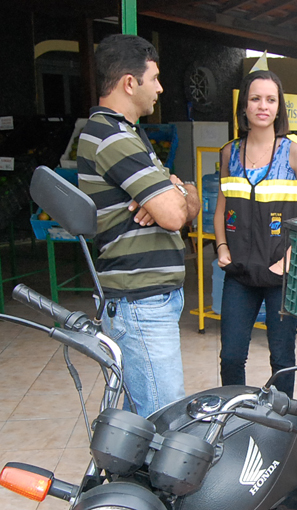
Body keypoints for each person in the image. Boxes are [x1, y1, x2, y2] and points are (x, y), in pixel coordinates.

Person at [77, 34, 200, 418]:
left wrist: (180, 189)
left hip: (148, 301)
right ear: (130, 83)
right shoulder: (111, 136)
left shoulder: (130, 135)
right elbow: (176, 216)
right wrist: (173, 196)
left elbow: (184, 204)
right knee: (165, 425)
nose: (161, 89)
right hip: (140, 303)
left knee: (144, 423)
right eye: (155, 78)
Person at [213, 70, 297, 393]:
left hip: (281, 276)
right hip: (240, 274)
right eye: (255, 98)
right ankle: (234, 415)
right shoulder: (228, 154)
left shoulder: (295, 155)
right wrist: (222, 247)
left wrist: (290, 259)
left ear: (279, 108)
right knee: (231, 357)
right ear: (244, 106)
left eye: (271, 99)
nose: (263, 106)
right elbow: (221, 210)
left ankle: (281, 423)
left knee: (281, 358)